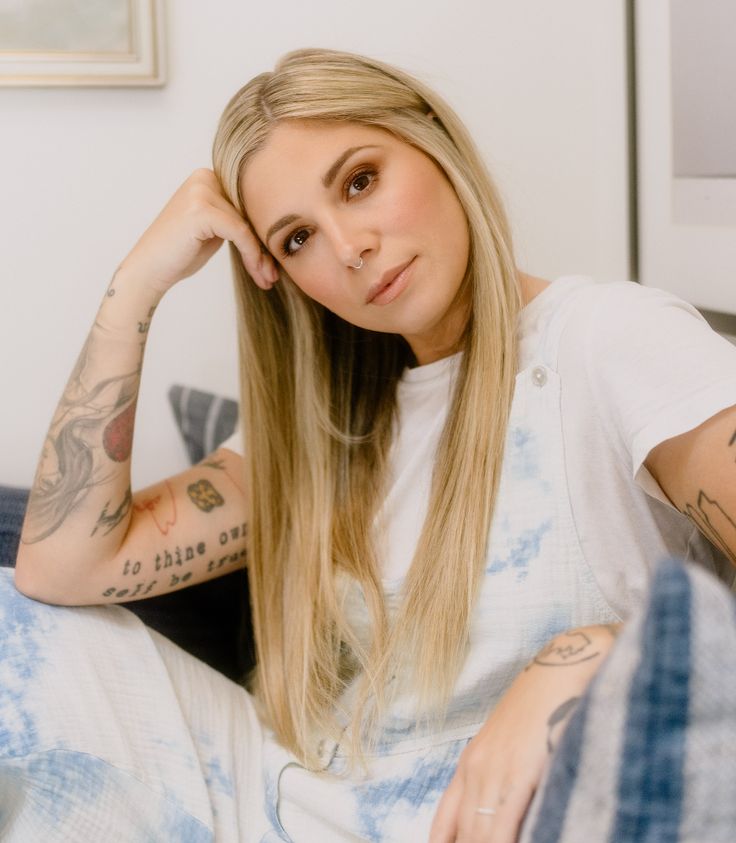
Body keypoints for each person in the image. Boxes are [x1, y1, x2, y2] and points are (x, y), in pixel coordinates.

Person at [5, 47, 736, 842]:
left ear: (429, 137)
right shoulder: (326, 431)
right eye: (296, 239)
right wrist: (136, 283)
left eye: (360, 180)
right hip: (270, 792)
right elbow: (59, 566)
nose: (348, 246)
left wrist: (604, 650)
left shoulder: (610, 342)